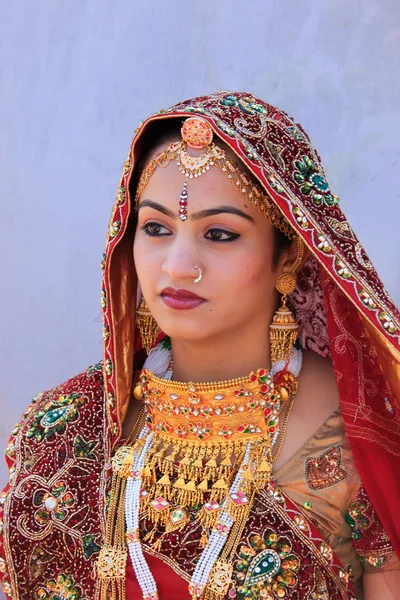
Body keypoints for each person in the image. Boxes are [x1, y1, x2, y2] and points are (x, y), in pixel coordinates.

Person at [0, 91, 399, 600]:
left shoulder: (361, 438)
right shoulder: (70, 421)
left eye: (219, 233)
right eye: (156, 228)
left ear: (288, 256)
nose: (178, 265)